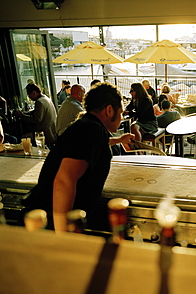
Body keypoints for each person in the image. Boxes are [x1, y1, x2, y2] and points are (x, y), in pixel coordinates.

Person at [22, 82, 135, 232]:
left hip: (54, 216)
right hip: (49, 221)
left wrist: (119, 140)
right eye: (120, 113)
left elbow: (89, 148)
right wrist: (63, 234)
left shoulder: (88, 126)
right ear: (109, 110)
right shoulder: (92, 130)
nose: (120, 117)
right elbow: (64, 180)